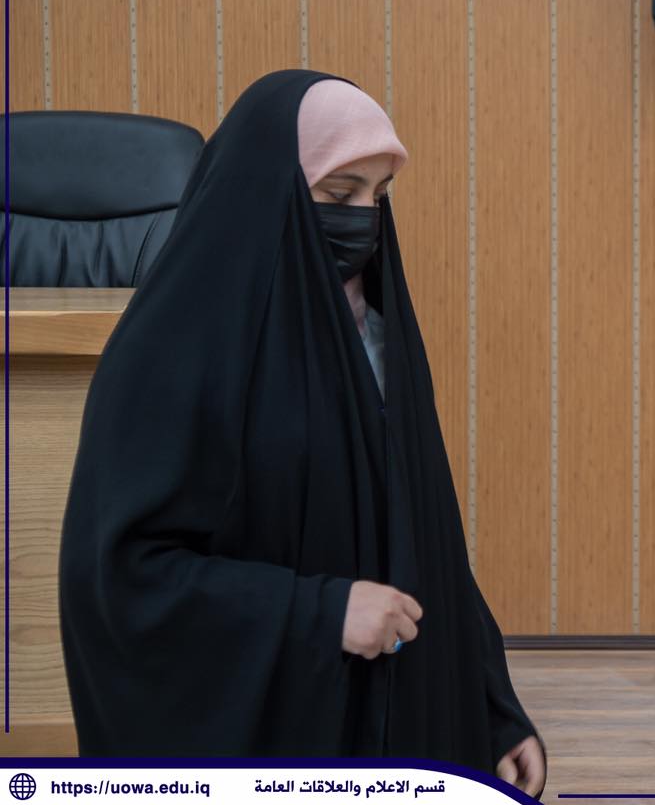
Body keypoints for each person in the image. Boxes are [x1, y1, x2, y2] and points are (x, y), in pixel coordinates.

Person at [59, 70, 544, 795]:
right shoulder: (171, 353)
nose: (365, 220)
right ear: (267, 192)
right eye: (339, 194)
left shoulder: (378, 340)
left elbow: (427, 539)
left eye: (380, 195)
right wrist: (318, 613)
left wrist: (492, 705)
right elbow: (123, 581)